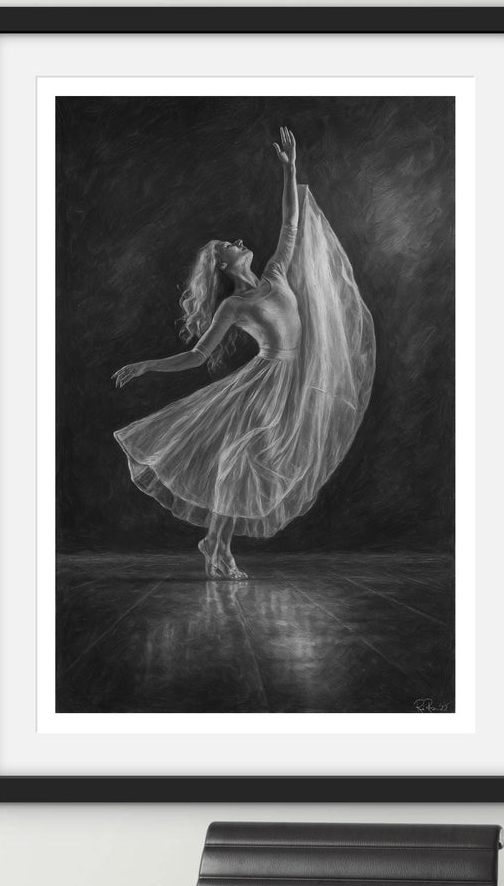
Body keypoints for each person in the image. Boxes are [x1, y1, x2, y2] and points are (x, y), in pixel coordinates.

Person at [112, 127, 375, 578]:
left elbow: (290, 224)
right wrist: (149, 365)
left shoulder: (276, 273)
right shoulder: (235, 306)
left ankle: (214, 542)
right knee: (241, 461)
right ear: (223, 263)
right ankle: (217, 546)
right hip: (265, 383)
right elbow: (198, 355)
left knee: (252, 464)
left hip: (294, 379)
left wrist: (290, 170)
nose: (238, 240)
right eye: (231, 245)